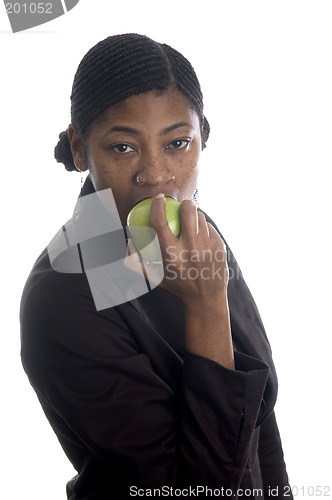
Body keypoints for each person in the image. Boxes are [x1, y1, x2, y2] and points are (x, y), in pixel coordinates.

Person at [20, 33, 292, 499]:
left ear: (202, 137)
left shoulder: (197, 237)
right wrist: (207, 309)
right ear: (81, 148)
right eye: (123, 147)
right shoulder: (62, 295)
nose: (157, 175)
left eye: (178, 143)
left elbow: (258, 424)